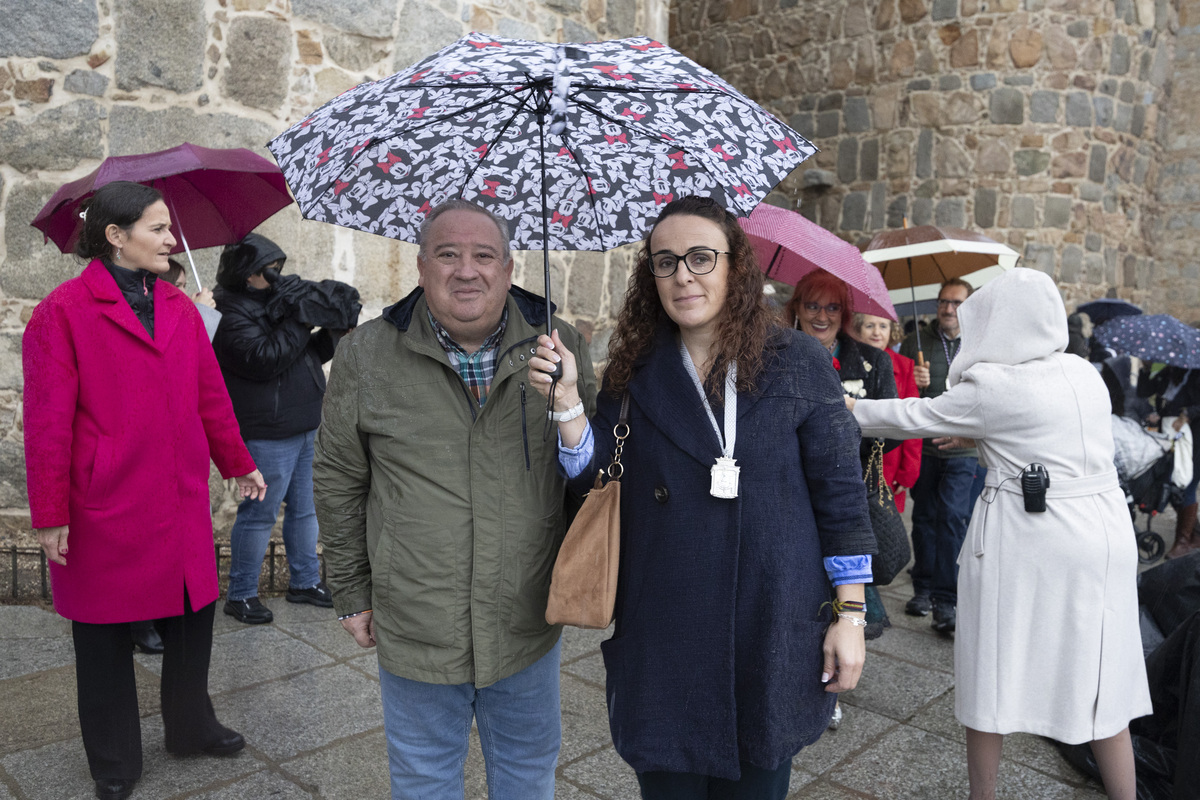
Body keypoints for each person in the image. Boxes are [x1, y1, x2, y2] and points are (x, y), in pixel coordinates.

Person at [528, 196, 874, 798]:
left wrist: (850, 615)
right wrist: (567, 409)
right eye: (665, 262)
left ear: (736, 268)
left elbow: (841, 497)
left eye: (700, 257)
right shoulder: (634, 372)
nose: (682, 274)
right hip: (665, 626)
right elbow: (597, 483)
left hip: (771, 622)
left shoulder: (799, 363)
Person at [313, 199, 597, 799]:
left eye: (483, 255)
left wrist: (567, 402)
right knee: (423, 780)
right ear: (420, 267)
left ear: (508, 266)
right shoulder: (366, 353)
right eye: (448, 254)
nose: (466, 270)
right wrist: (350, 591)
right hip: (418, 618)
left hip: (525, 618)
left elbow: (592, 480)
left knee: (526, 774)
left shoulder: (559, 346)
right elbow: (339, 479)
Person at [848, 268, 1151, 800]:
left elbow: (913, 415)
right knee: (1104, 677)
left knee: (992, 666)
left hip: (1032, 537)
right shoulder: (1084, 373)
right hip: (1104, 534)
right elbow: (1052, 440)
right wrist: (981, 436)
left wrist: (846, 406)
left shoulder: (997, 386)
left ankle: (983, 795)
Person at [23, 181, 267, 800]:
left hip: (179, 495)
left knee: (192, 614)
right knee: (102, 633)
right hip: (103, 500)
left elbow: (210, 395)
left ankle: (190, 726)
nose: (170, 238)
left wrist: (238, 462)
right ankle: (113, 757)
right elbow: (47, 423)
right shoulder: (63, 312)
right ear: (115, 236)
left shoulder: (180, 307)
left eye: (168, 228)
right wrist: (50, 514)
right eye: (157, 228)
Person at [212, 234, 340, 624]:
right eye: (269, 270)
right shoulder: (228, 312)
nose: (276, 277)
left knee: (305, 511)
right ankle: (242, 593)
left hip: (305, 422)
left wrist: (333, 322)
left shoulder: (275, 303)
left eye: (279, 268)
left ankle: (303, 582)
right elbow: (265, 359)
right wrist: (300, 315)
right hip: (267, 430)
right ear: (248, 275)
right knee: (260, 513)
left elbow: (310, 354)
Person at [783, 273, 897, 650]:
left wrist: (846, 428)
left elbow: (891, 431)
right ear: (796, 308)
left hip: (846, 497)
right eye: (812, 305)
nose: (822, 316)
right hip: (789, 495)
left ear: (845, 314)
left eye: (832, 307)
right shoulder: (774, 355)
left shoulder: (871, 362)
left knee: (845, 598)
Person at [897, 278, 984, 633]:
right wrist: (913, 381)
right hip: (925, 446)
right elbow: (899, 390)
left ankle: (947, 599)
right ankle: (924, 587)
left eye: (957, 303)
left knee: (951, 517)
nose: (949, 309)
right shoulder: (915, 342)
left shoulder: (980, 343)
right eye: (944, 302)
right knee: (924, 518)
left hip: (961, 450)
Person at [851, 312, 922, 513]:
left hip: (890, 465)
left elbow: (912, 421)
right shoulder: (847, 360)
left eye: (883, 326)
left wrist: (908, 471)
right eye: (869, 326)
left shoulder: (904, 365)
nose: (877, 333)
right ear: (857, 329)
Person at [1136, 364, 1200, 557]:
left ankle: (1183, 542)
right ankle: (1195, 535)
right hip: (1171, 436)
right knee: (1170, 484)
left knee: (1184, 484)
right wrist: (1146, 370)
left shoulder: (1196, 373)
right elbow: (1144, 392)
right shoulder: (1169, 372)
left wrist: (1187, 414)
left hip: (1194, 438)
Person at [165, 257, 221, 341]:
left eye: (184, 286)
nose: (185, 293)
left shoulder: (179, 315)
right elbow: (191, 348)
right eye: (177, 285)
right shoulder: (161, 323)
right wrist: (201, 311)